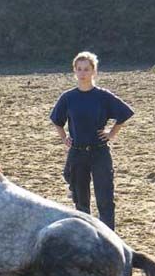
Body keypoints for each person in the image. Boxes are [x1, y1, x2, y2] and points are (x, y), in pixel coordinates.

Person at [50, 51, 134, 231]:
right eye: (79, 69)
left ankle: (109, 236)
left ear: (94, 71)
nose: (82, 73)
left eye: (86, 69)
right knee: (81, 200)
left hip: (100, 152)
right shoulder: (68, 97)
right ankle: (85, 235)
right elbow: (57, 120)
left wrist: (111, 133)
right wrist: (65, 138)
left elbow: (124, 114)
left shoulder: (103, 96)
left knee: (105, 198)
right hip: (77, 153)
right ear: (75, 71)